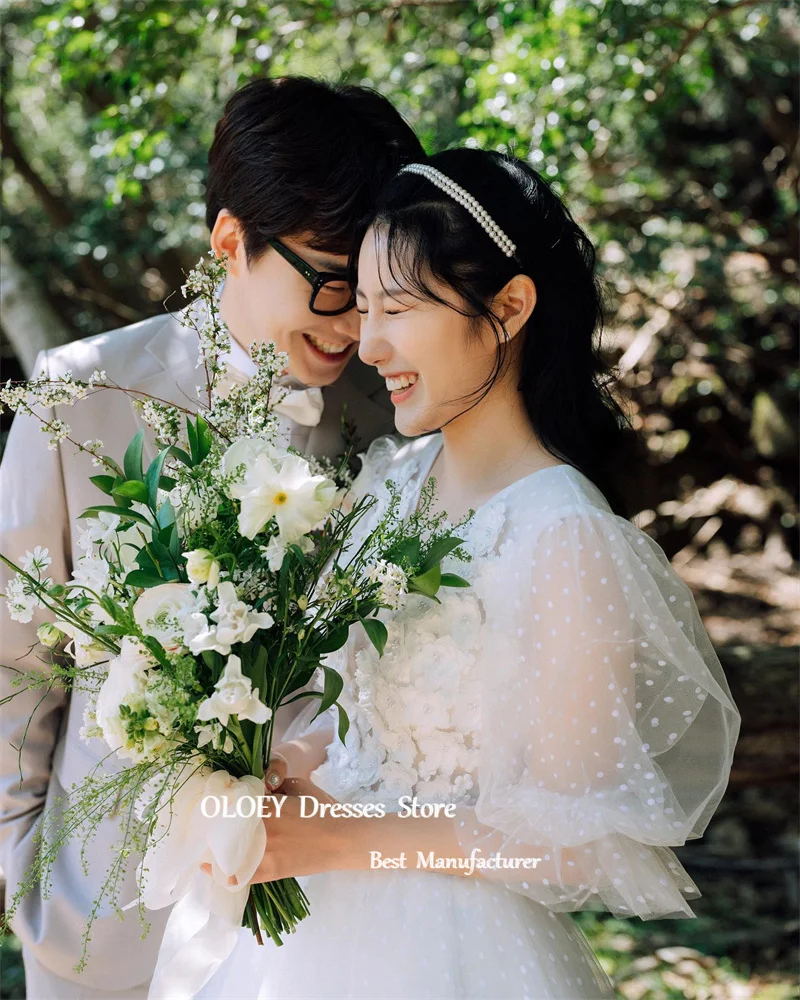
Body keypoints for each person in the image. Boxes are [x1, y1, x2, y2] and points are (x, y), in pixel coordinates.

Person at [199, 148, 741, 999]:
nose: (368, 344)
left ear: (510, 305)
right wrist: (291, 767)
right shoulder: (392, 482)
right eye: (362, 306)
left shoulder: (565, 537)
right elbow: (370, 730)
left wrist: (342, 840)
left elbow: (575, 847)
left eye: (400, 308)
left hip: (458, 954)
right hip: (311, 943)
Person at [0, 75, 423, 1000]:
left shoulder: (398, 421)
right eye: (336, 283)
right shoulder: (79, 396)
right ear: (231, 241)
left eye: (382, 288)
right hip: (102, 919)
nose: (358, 322)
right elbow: (12, 660)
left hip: (332, 927)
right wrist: (24, 871)